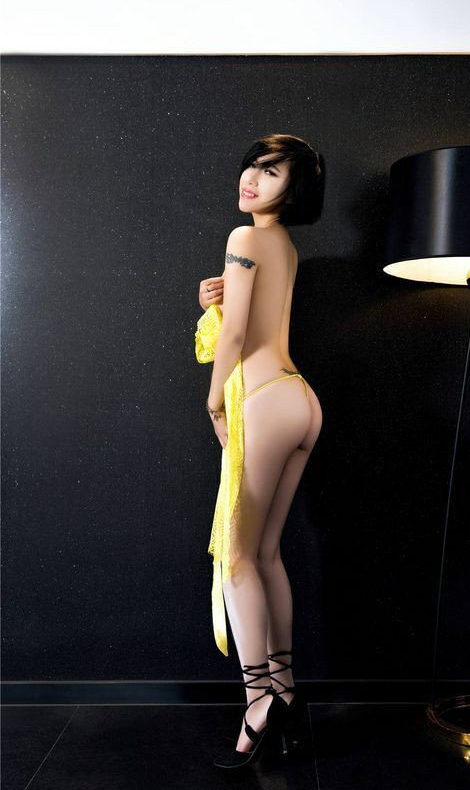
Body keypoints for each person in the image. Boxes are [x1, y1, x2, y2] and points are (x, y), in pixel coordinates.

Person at [195, 133, 325, 768]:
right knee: (267, 553)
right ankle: (287, 692)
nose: (252, 177)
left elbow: (239, 335)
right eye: (252, 165)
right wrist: (212, 304)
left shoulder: (244, 238)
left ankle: (256, 703)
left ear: (293, 190)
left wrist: (214, 399)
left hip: (264, 400)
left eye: (271, 172)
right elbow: (252, 319)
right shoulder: (283, 246)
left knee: (238, 556)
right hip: (300, 398)